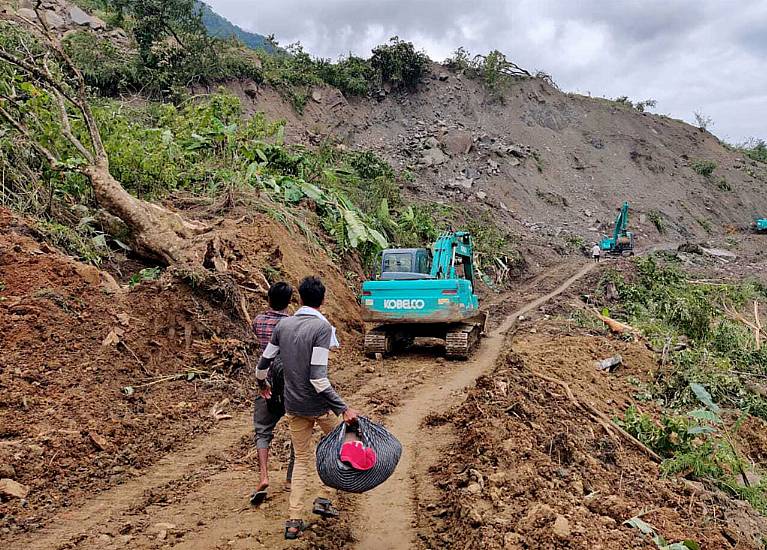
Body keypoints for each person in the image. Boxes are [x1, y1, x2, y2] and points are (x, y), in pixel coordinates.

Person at [255, 276, 359, 540]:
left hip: (293, 405)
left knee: (301, 460)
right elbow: (318, 377)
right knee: (339, 445)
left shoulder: (284, 325)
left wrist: (262, 385)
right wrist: (343, 408)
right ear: (323, 301)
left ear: (299, 299)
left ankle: (293, 520)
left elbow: (262, 365)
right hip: (319, 405)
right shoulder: (322, 328)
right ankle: (325, 497)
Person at [250, 282, 295, 506]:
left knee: (263, 431)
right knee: (298, 429)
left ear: (268, 299)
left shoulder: (258, 321)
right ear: (289, 302)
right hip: (290, 385)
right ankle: (290, 479)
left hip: (265, 383)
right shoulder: (292, 324)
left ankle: (264, 476)